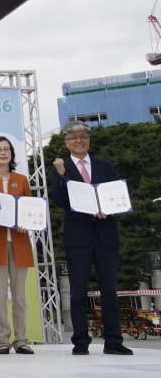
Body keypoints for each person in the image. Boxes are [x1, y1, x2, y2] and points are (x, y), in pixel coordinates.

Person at [51, 121, 133, 355]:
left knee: (109, 289)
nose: (78, 140)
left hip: (106, 234)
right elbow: (59, 200)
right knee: (78, 290)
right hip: (78, 236)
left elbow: (117, 195)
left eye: (83, 136)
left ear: (89, 139)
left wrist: (108, 208)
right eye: (73, 137)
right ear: (66, 142)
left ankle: (114, 341)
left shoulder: (104, 166)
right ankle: (80, 341)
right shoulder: (61, 166)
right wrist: (60, 176)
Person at [0, 137, 35, 355]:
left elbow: (30, 208)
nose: (3, 153)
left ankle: (22, 339)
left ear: (11, 153)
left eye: (6, 149)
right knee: (0, 294)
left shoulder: (21, 179)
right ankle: (3, 340)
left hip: (19, 242)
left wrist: (26, 223)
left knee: (19, 295)